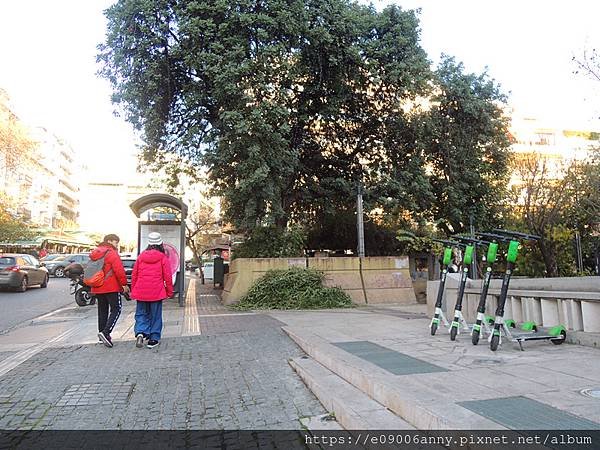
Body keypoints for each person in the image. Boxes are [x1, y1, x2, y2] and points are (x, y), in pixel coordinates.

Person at [131, 232, 173, 349]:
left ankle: (140, 331)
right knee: (155, 315)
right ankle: (153, 339)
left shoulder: (141, 256)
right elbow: (168, 277)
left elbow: (135, 275)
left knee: (141, 313)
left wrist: (134, 290)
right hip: (156, 291)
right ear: (160, 244)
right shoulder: (162, 258)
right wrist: (169, 292)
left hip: (141, 291)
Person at [89, 234, 129, 348]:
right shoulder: (111, 253)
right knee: (116, 309)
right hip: (111, 287)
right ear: (110, 241)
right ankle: (106, 333)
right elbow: (119, 270)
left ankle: (101, 335)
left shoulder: (95, 252)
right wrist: (124, 284)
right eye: (116, 242)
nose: (117, 244)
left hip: (97, 286)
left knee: (102, 310)